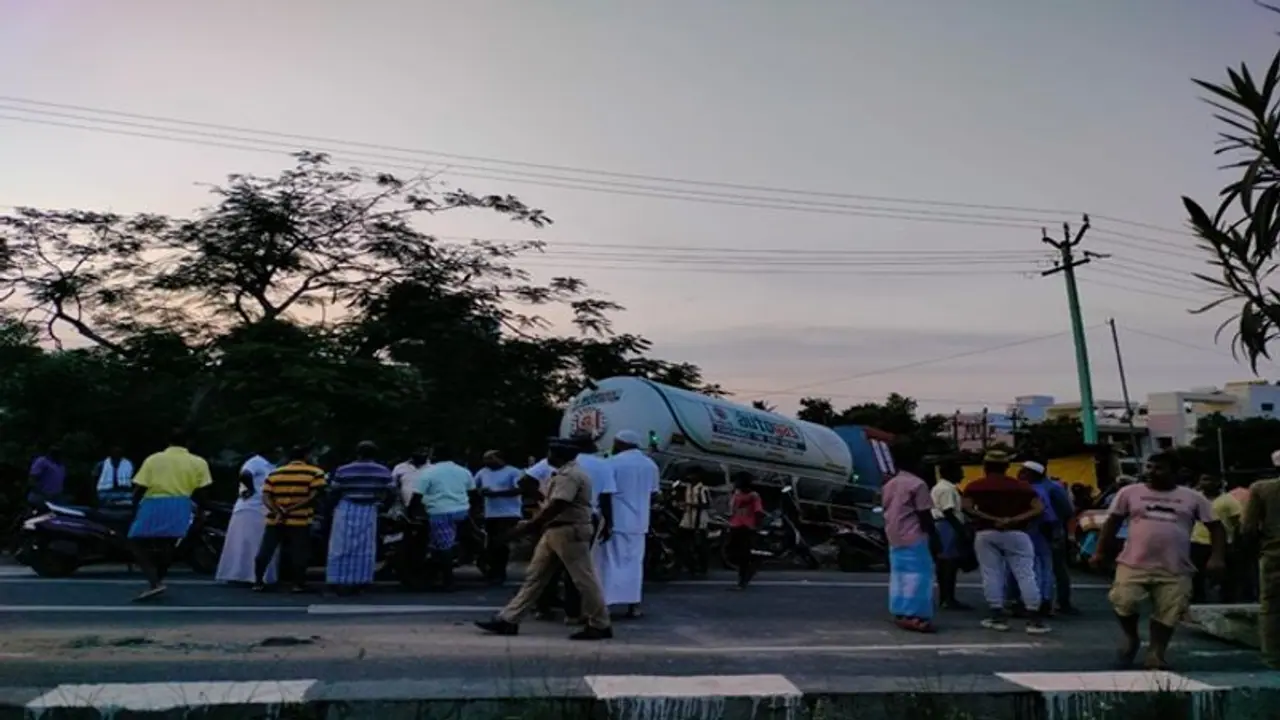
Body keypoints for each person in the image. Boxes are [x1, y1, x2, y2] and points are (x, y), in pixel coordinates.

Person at [1093, 452, 1225, 670]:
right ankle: (1131, 637)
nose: (1151, 472)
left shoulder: (1193, 498)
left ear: (1176, 472)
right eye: (1149, 467)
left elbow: (1216, 527)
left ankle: (1156, 652)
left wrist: (1217, 557)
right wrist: (1099, 552)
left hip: (1175, 567)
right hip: (1133, 563)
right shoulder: (1129, 492)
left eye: (1159, 468)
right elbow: (1112, 522)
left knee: (1169, 611)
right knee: (1124, 601)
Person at [475, 437, 613, 641]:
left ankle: (600, 623)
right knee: (535, 577)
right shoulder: (566, 473)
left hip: (569, 530)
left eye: (550, 453)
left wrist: (530, 526)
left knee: (583, 579)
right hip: (556, 530)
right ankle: (509, 619)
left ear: (558, 455)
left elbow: (558, 505)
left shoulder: (570, 476)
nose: (547, 456)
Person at [962, 450, 1050, 635]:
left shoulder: (975, 486)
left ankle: (997, 616)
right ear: (1007, 467)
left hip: (986, 532)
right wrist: (1013, 519)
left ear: (985, 467)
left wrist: (992, 518)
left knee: (991, 574)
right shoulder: (1022, 487)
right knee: (1026, 574)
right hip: (1017, 533)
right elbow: (1038, 508)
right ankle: (1034, 619)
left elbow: (967, 508)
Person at [126, 429, 213, 602]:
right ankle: (158, 579)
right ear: (188, 443)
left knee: (135, 543)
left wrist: (134, 507)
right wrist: (202, 511)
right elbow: (203, 491)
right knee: (169, 544)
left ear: (168, 441)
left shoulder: (153, 459)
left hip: (154, 503)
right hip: (181, 504)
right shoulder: (198, 462)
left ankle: (154, 582)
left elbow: (140, 487)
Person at [595, 430, 660, 619]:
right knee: (634, 564)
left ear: (621, 443)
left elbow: (605, 494)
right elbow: (654, 494)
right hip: (639, 523)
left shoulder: (611, 463)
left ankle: (606, 605)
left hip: (616, 521)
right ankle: (634, 606)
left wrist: (606, 521)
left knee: (610, 563)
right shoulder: (650, 465)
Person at [254, 445, 327, 593]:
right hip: (300, 519)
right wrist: (292, 508)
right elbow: (314, 496)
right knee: (299, 551)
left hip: (275, 519)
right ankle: (297, 584)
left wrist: (278, 511)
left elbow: (266, 496)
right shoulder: (315, 473)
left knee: (266, 549)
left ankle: (258, 582)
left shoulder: (275, 473)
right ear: (306, 456)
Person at [326, 441, 395, 596]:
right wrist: (383, 505)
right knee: (365, 548)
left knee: (340, 547)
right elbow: (392, 491)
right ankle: (361, 581)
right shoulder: (382, 471)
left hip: (346, 508)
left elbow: (333, 491)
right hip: (369, 509)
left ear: (357, 453)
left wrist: (331, 509)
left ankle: (338, 580)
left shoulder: (344, 470)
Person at [882, 460, 939, 633]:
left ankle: (900, 612)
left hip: (894, 536)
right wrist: (935, 537)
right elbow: (924, 515)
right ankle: (915, 615)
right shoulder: (918, 484)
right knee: (919, 577)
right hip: (914, 535)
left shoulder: (890, 484)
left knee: (899, 577)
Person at [410, 443, 475, 590]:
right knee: (440, 543)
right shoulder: (463, 471)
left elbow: (417, 496)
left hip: (440, 512)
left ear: (434, 456)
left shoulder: (429, 472)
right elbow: (473, 493)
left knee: (444, 546)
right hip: (462, 512)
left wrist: (411, 513)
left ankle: (448, 580)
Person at [215, 450, 277, 585]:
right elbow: (245, 474)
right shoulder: (256, 461)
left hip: (262, 508)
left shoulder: (271, 466)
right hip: (250, 507)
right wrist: (251, 490)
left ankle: (252, 575)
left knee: (254, 543)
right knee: (248, 543)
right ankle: (243, 575)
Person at [1021, 460, 1074, 617]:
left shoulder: (1051, 488)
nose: (1020, 474)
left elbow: (1066, 510)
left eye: (1024, 471)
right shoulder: (1027, 487)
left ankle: (1058, 601)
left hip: (1048, 531)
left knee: (1052, 567)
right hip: (1035, 531)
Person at [1241, 469, 1280, 668]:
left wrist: (1258, 550)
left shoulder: (1262, 489)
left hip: (1274, 554)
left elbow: (1248, 528)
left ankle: (1273, 657)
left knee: (1272, 608)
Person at [474, 450, 525, 584]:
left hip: (508, 513)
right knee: (491, 543)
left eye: (490, 459)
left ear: (500, 459)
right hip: (490, 513)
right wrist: (480, 492)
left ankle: (499, 572)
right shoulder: (483, 472)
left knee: (501, 543)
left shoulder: (513, 472)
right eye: (485, 459)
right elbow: (474, 487)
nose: (486, 462)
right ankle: (492, 571)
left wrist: (496, 494)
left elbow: (519, 489)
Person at [1191, 474, 1243, 604]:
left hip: (1222, 544)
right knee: (1196, 578)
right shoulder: (1195, 498)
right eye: (1203, 480)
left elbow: (1237, 522)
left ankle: (1229, 605)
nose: (1206, 483)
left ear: (1217, 482)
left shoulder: (1228, 500)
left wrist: (1235, 542)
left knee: (1226, 579)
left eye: (1209, 479)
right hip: (1197, 543)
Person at [931, 458, 970, 610]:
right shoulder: (947, 489)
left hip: (943, 525)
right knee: (948, 563)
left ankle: (945, 597)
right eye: (959, 472)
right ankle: (948, 598)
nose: (962, 475)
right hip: (947, 526)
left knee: (944, 563)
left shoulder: (941, 487)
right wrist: (961, 530)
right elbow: (948, 511)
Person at [726, 472, 765, 590]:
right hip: (735, 525)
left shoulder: (753, 496)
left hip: (746, 527)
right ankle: (748, 571)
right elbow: (732, 508)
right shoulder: (736, 494)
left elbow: (758, 512)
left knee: (743, 555)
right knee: (733, 552)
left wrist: (757, 526)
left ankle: (743, 580)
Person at [677, 467, 713, 576]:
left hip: (699, 520)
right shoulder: (688, 487)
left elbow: (706, 504)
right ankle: (690, 566)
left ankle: (702, 567)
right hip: (687, 519)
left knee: (700, 545)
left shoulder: (702, 489)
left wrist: (690, 505)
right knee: (685, 544)